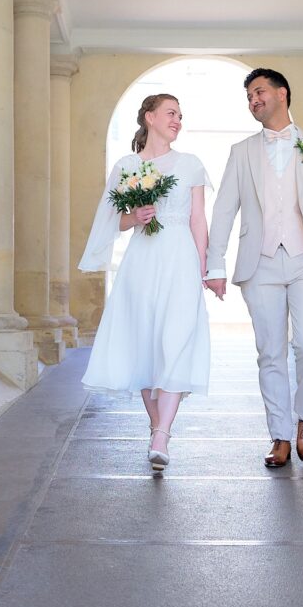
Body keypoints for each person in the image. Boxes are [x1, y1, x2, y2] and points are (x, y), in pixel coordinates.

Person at [204, 68, 303, 468]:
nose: (253, 100)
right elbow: (223, 211)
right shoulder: (241, 152)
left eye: (259, 92)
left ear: (282, 94)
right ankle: (280, 435)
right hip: (261, 263)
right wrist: (214, 264)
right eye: (249, 96)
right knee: (269, 353)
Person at [79, 93, 210, 470]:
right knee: (145, 343)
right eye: (171, 113)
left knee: (176, 338)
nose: (178, 121)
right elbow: (112, 222)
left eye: (181, 116)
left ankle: (162, 434)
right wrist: (134, 215)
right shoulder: (127, 165)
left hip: (180, 258)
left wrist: (203, 266)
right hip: (141, 261)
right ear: (149, 117)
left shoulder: (190, 165)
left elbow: (198, 220)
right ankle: (158, 426)